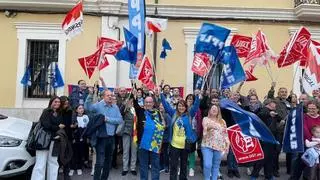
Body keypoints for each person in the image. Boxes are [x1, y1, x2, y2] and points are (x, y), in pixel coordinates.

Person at [160, 89, 200, 180]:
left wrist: (197, 97)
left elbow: (196, 106)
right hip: (174, 145)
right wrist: (161, 95)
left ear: (186, 107)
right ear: (177, 107)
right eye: (179, 106)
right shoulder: (173, 113)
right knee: (173, 166)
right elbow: (166, 105)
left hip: (185, 145)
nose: (181, 108)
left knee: (183, 165)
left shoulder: (190, 114)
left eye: (183, 106)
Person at [85, 89, 123, 180]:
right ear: (103, 96)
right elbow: (87, 108)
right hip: (101, 138)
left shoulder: (115, 107)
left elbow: (119, 120)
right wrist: (90, 95)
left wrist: (107, 119)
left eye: (111, 95)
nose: (110, 97)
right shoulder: (98, 105)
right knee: (100, 162)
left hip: (111, 138)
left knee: (108, 162)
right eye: (108, 95)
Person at [132, 91, 166, 180]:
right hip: (142, 144)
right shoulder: (140, 111)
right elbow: (135, 103)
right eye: (146, 102)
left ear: (153, 103)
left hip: (154, 144)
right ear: (144, 103)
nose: (148, 104)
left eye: (150, 102)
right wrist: (133, 94)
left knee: (155, 166)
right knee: (143, 166)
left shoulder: (158, 113)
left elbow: (163, 125)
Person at [31, 96, 64, 180]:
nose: (57, 103)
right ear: (51, 102)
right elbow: (46, 125)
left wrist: (58, 128)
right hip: (43, 140)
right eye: (55, 102)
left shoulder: (60, 113)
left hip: (55, 140)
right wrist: (57, 127)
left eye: (59, 102)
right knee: (40, 163)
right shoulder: (46, 111)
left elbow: (61, 125)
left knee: (53, 162)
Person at [290, 101, 320, 180]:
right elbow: (305, 130)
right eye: (309, 108)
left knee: (312, 166)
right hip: (306, 144)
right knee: (300, 164)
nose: (311, 110)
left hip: (318, 145)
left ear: (317, 109)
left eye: (313, 108)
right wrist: (314, 142)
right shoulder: (303, 117)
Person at [250, 99, 279, 180]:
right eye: (274, 103)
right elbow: (260, 115)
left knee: (270, 158)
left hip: (272, 138)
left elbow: (278, 119)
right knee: (263, 157)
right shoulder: (263, 110)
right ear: (269, 104)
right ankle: (254, 175)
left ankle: (268, 175)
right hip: (264, 138)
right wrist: (269, 113)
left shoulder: (274, 111)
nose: (275, 105)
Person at [202, 105, 230, 180]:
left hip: (219, 146)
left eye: (216, 109)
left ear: (218, 111)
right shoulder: (205, 119)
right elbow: (205, 128)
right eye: (212, 108)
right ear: (209, 111)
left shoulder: (222, 121)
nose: (214, 110)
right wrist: (211, 126)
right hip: (207, 146)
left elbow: (225, 134)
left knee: (216, 165)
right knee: (207, 165)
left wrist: (227, 144)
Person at [69, 105, 90, 176]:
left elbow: (87, 127)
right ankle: (72, 168)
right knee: (74, 152)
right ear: (76, 110)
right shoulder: (74, 117)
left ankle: (79, 167)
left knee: (81, 152)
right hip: (75, 136)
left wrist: (86, 137)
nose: (81, 110)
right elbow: (72, 127)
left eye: (82, 108)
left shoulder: (86, 117)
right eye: (79, 108)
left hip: (83, 136)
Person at [120, 97, 138, 176]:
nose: (130, 102)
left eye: (132, 101)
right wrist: (124, 105)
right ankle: (125, 168)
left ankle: (133, 168)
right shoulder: (125, 109)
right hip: (126, 132)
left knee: (134, 151)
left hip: (135, 134)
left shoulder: (136, 110)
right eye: (129, 101)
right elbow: (120, 112)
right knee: (126, 151)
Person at [185, 94, 202, 177]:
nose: (189, 100)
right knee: (183, 151)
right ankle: (183, 167)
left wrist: (198, 132)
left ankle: (191, 168)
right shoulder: (182, 108)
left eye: (191, 99)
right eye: (188, 99)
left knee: (191, 151)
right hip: (183, 133)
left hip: (193, 133)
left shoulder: (197, 109)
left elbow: (199, 120)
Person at [59, 96, 74, 180]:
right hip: (60, 136)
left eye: (67, 104)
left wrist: (74, 125)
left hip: (68, 135)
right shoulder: (58, 112)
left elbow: (71, 123)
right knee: (59, 155)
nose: (66, 105)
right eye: (64, 104)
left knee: (67, 155)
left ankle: (66, 173)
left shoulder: (70, 111)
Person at [159, 103, 171, 174]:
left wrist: (163, 127)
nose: (161, 107)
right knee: (160, 153)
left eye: (162, 106)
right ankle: (161, 166)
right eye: (160, 106)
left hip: (165, 138)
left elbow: (169, 126)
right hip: (159, 137)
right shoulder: (158, 115)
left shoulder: (167, 115)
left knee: (166, 153)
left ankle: (166, 166)